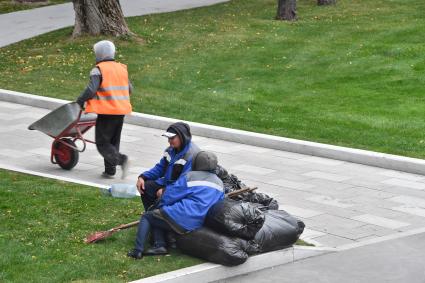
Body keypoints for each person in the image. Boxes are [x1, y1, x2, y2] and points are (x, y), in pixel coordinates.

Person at [127, 151, 225, 259]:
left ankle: (137, 251)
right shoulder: (220, 184)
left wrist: (158, 204)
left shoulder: (190, 177)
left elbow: (171, 195)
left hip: (181, 216)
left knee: (148, 216)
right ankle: (159, 246)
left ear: (196, 163)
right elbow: (219, 205)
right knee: (157, 215)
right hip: (199, 223)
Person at [76, 40, 131, 179]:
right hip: (121, 111)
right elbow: (130, 89)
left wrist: (80, 100)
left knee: (102, 142)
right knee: (113, 141)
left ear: (100, 54)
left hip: (107, 112)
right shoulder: (121, 68)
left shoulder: (98, 69)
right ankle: (110, 171)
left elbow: (91, 89)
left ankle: (121, 160)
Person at [136, 122, 199, 211]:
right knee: (145, 186)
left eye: (172, 138)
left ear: (182, 137)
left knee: (164, 196)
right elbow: (160, 168)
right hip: (168, 183)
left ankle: (160, 216)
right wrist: (143, 176)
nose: (169, 141)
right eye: (168, 138)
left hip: (183, 190)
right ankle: (151, 214)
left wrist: (166, 191)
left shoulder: (192, 155)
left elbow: (183, 183)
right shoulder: (171, 149)